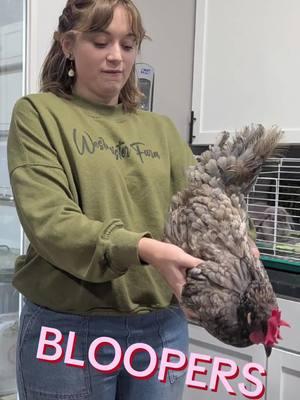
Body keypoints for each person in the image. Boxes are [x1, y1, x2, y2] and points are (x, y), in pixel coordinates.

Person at [7, 1, 202, 399]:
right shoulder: (39, 114)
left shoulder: (161, 130)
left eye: (128, 45)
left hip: (161, 328)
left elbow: (204, 207)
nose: (116, 57)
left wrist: (238, 245)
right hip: (68, 331)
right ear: (67, 45)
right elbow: (51, 224)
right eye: (100, 42)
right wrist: (146, 249)